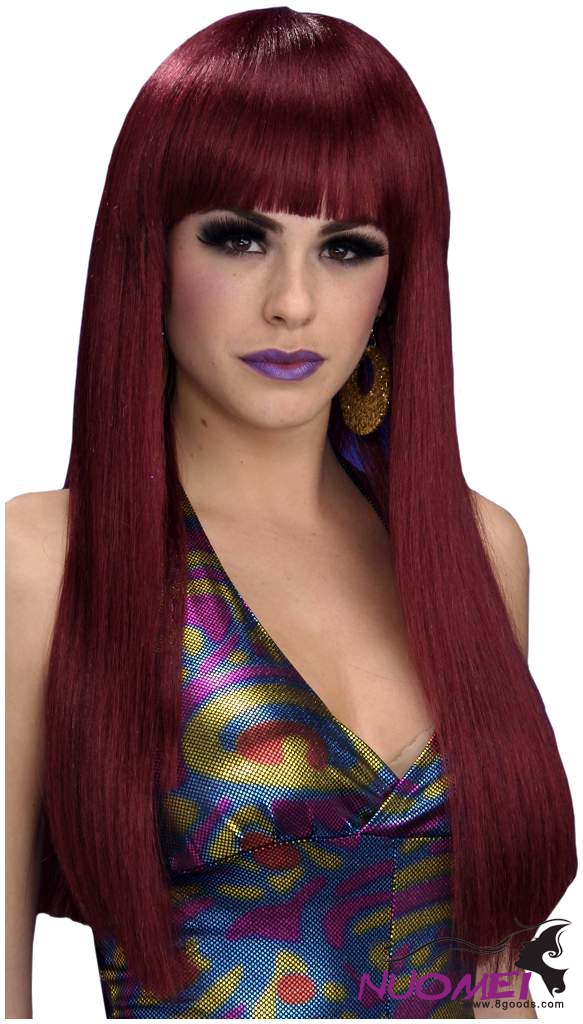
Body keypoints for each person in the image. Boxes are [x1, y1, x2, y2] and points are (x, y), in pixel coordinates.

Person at [5, 6, 577, 1019]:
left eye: (346, 248)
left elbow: (496, 983)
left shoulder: (478, 551)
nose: (293, 302)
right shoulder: (44, 560)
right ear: (149, 252)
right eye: (240, 237)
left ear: (398, 282)